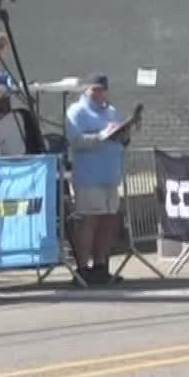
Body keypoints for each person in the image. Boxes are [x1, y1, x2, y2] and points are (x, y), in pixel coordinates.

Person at [66, 75, 128, 285]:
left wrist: (125, 134)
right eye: (96, 90)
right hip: (89, 177)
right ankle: (83, 269)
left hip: (110, 175)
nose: (100, 94)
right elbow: (75, 141)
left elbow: (120, 137)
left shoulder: (111, 111)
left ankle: (101, 266)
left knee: (108, 221)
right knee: (89, 221)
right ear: (87, 90)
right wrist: (102, 135)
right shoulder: (77, 112)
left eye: (103, 90)